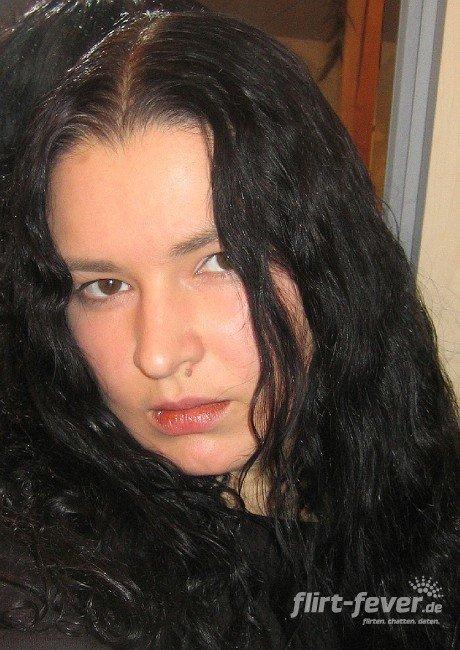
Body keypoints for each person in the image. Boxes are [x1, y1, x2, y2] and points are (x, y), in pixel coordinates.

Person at [0, 3, 458, 649]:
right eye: (105, 286)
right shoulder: (42, 584)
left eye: (220, 262)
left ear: (326, 257)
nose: (159, 354)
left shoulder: (416, 491)